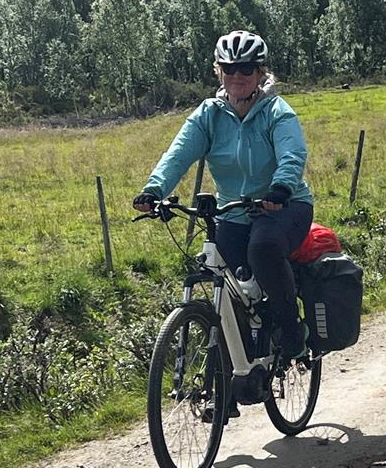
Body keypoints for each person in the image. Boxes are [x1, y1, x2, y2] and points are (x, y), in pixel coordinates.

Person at [134, 29, 315, 363]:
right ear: (218, 70)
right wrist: (154, 189)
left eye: (247, 68)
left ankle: (292, 333)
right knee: (229, 281)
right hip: (232, 209)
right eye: (229, 68)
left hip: (283, 206)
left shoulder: (276, 111)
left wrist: (281, 187)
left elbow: (292, 153)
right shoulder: (209, 114)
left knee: (262, 249)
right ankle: (232, 376)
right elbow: (178, 154)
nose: (238, 76)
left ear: (260, 72)